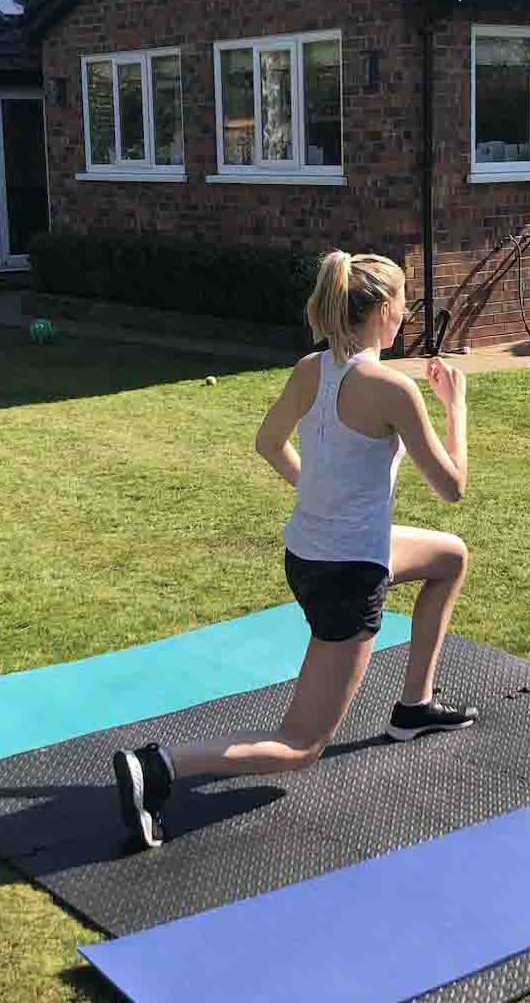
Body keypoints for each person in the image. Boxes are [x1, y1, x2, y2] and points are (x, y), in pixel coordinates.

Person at [112, 250, 475, 849]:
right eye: (405, 301)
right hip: (346, 574)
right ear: (384, 310)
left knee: (449, 557)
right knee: (300, 747)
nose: (409, 311)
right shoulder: (393, 390)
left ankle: (415, 705)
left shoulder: (313, 368)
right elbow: (453, 487)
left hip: (310, 554)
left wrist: (321, 495)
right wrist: (455, 409)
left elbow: (268, 443)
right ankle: (158, 766)